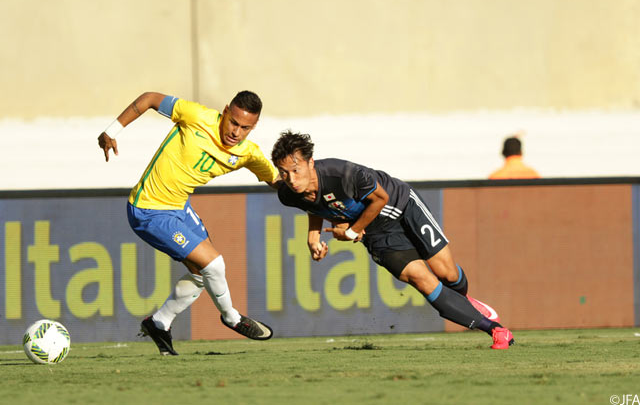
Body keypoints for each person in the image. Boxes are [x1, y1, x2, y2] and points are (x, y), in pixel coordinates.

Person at [271, 131, 514, 349]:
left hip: (401, 204)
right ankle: (495, 330)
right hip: (377, 233)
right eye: (284, 172)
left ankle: (463, 300)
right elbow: (313, 206)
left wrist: (353, 231)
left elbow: (380, 199)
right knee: (422, 280)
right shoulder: (288, 194)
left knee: (447, 274)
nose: (291, 179)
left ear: (310, 163)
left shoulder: (342, 173)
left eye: (296, 170)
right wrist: (312, 238)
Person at [98, 90, 277, 355]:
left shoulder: (249, 154)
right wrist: (112, 130)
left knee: (203, 272)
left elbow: (281, 183)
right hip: (148, 209)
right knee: (214, 264)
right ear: (226, 110)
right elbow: (149, 98)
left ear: (254, 127)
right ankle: (232, 318)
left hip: (179, 208)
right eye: (233, 122)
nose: (236, 132)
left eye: (245, 128)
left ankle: (160, 323)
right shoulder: (196, 116)